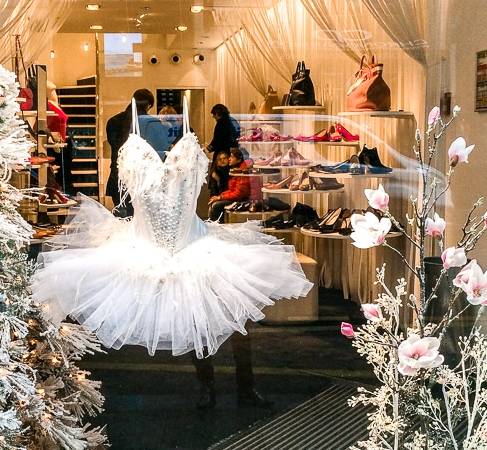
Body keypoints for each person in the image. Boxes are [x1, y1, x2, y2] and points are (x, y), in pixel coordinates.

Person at [32, 97, 312, 363]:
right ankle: (215, 387)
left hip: (193, 242)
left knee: (217, 326)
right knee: (208, 329)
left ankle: (225, 386)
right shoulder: (133, 135)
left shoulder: (181, 134)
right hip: (140, 243)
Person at [105, 88, 154, 217]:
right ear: (148, 105)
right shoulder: (150, 123)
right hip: (143, 176)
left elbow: (114, 145)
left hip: (118, 173)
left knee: (122, 218)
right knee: (142, 216)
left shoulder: (113, 121)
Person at [208, 147, 251, 222]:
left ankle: (216, 227)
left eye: (231, 157)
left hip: (245, 199)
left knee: (216, 205)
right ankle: (215, 226)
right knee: (214, 203)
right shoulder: (235, 170)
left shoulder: (242, 172)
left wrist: (220, 197)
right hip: (237, 197)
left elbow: (238, 194)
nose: (229, 159)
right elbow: (232, 190)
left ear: (239, 159)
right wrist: (218, 197)